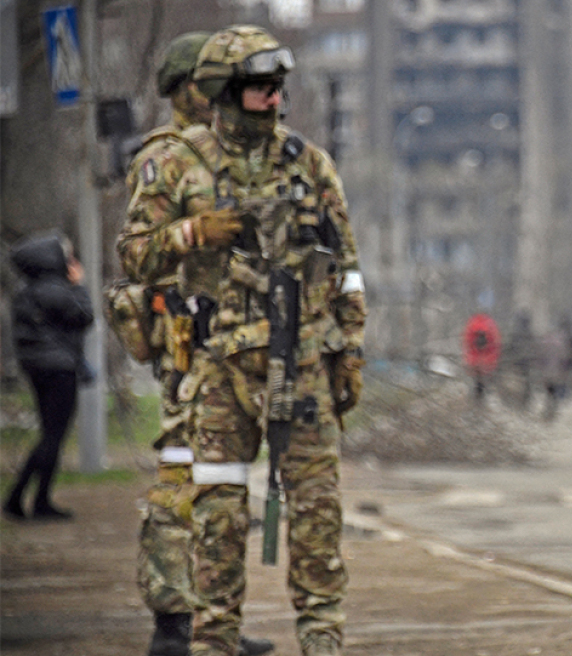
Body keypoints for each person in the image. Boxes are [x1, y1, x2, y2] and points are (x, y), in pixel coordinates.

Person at [119, 25, 366, 656]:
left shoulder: (309, 164)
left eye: (279, 87)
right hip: (220, 370)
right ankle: (213, 639)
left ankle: (322, 637)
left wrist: (350, 348)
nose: (274, 98)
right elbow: (135, 256)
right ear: (225, 91)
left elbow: (346, 265)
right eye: (260, 88)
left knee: (315, 512)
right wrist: (195, 232)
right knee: (218, 516)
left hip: (302, 365)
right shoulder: (179, 162)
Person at [115, 32, 274, 656]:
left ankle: (216, 620)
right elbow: (134, 253)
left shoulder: (231, 153)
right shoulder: (166, 156)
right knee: (181, 478)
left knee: (222, 485)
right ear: (188, 88)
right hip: (186, 343)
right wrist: (191, 230)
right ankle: (171, 623)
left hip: (235, 348)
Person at [4, 232, 94, 521]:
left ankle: (30, 498)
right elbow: (84, 315)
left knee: (49, 435)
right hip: (59, 369)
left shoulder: (27, 291)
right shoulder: (56, 289)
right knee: (53, 436)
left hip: (38, 369)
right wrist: (79, 286)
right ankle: (26, 497)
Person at [462, 312, 501, 403]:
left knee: (476, 384)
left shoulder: (472, 325)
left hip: (475, 362)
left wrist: (470, 362)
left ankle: (476, 401)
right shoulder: (491, 326)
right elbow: (495, 346)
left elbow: (467, 345)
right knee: (483, 384)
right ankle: (481, 401)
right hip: (485, 362)